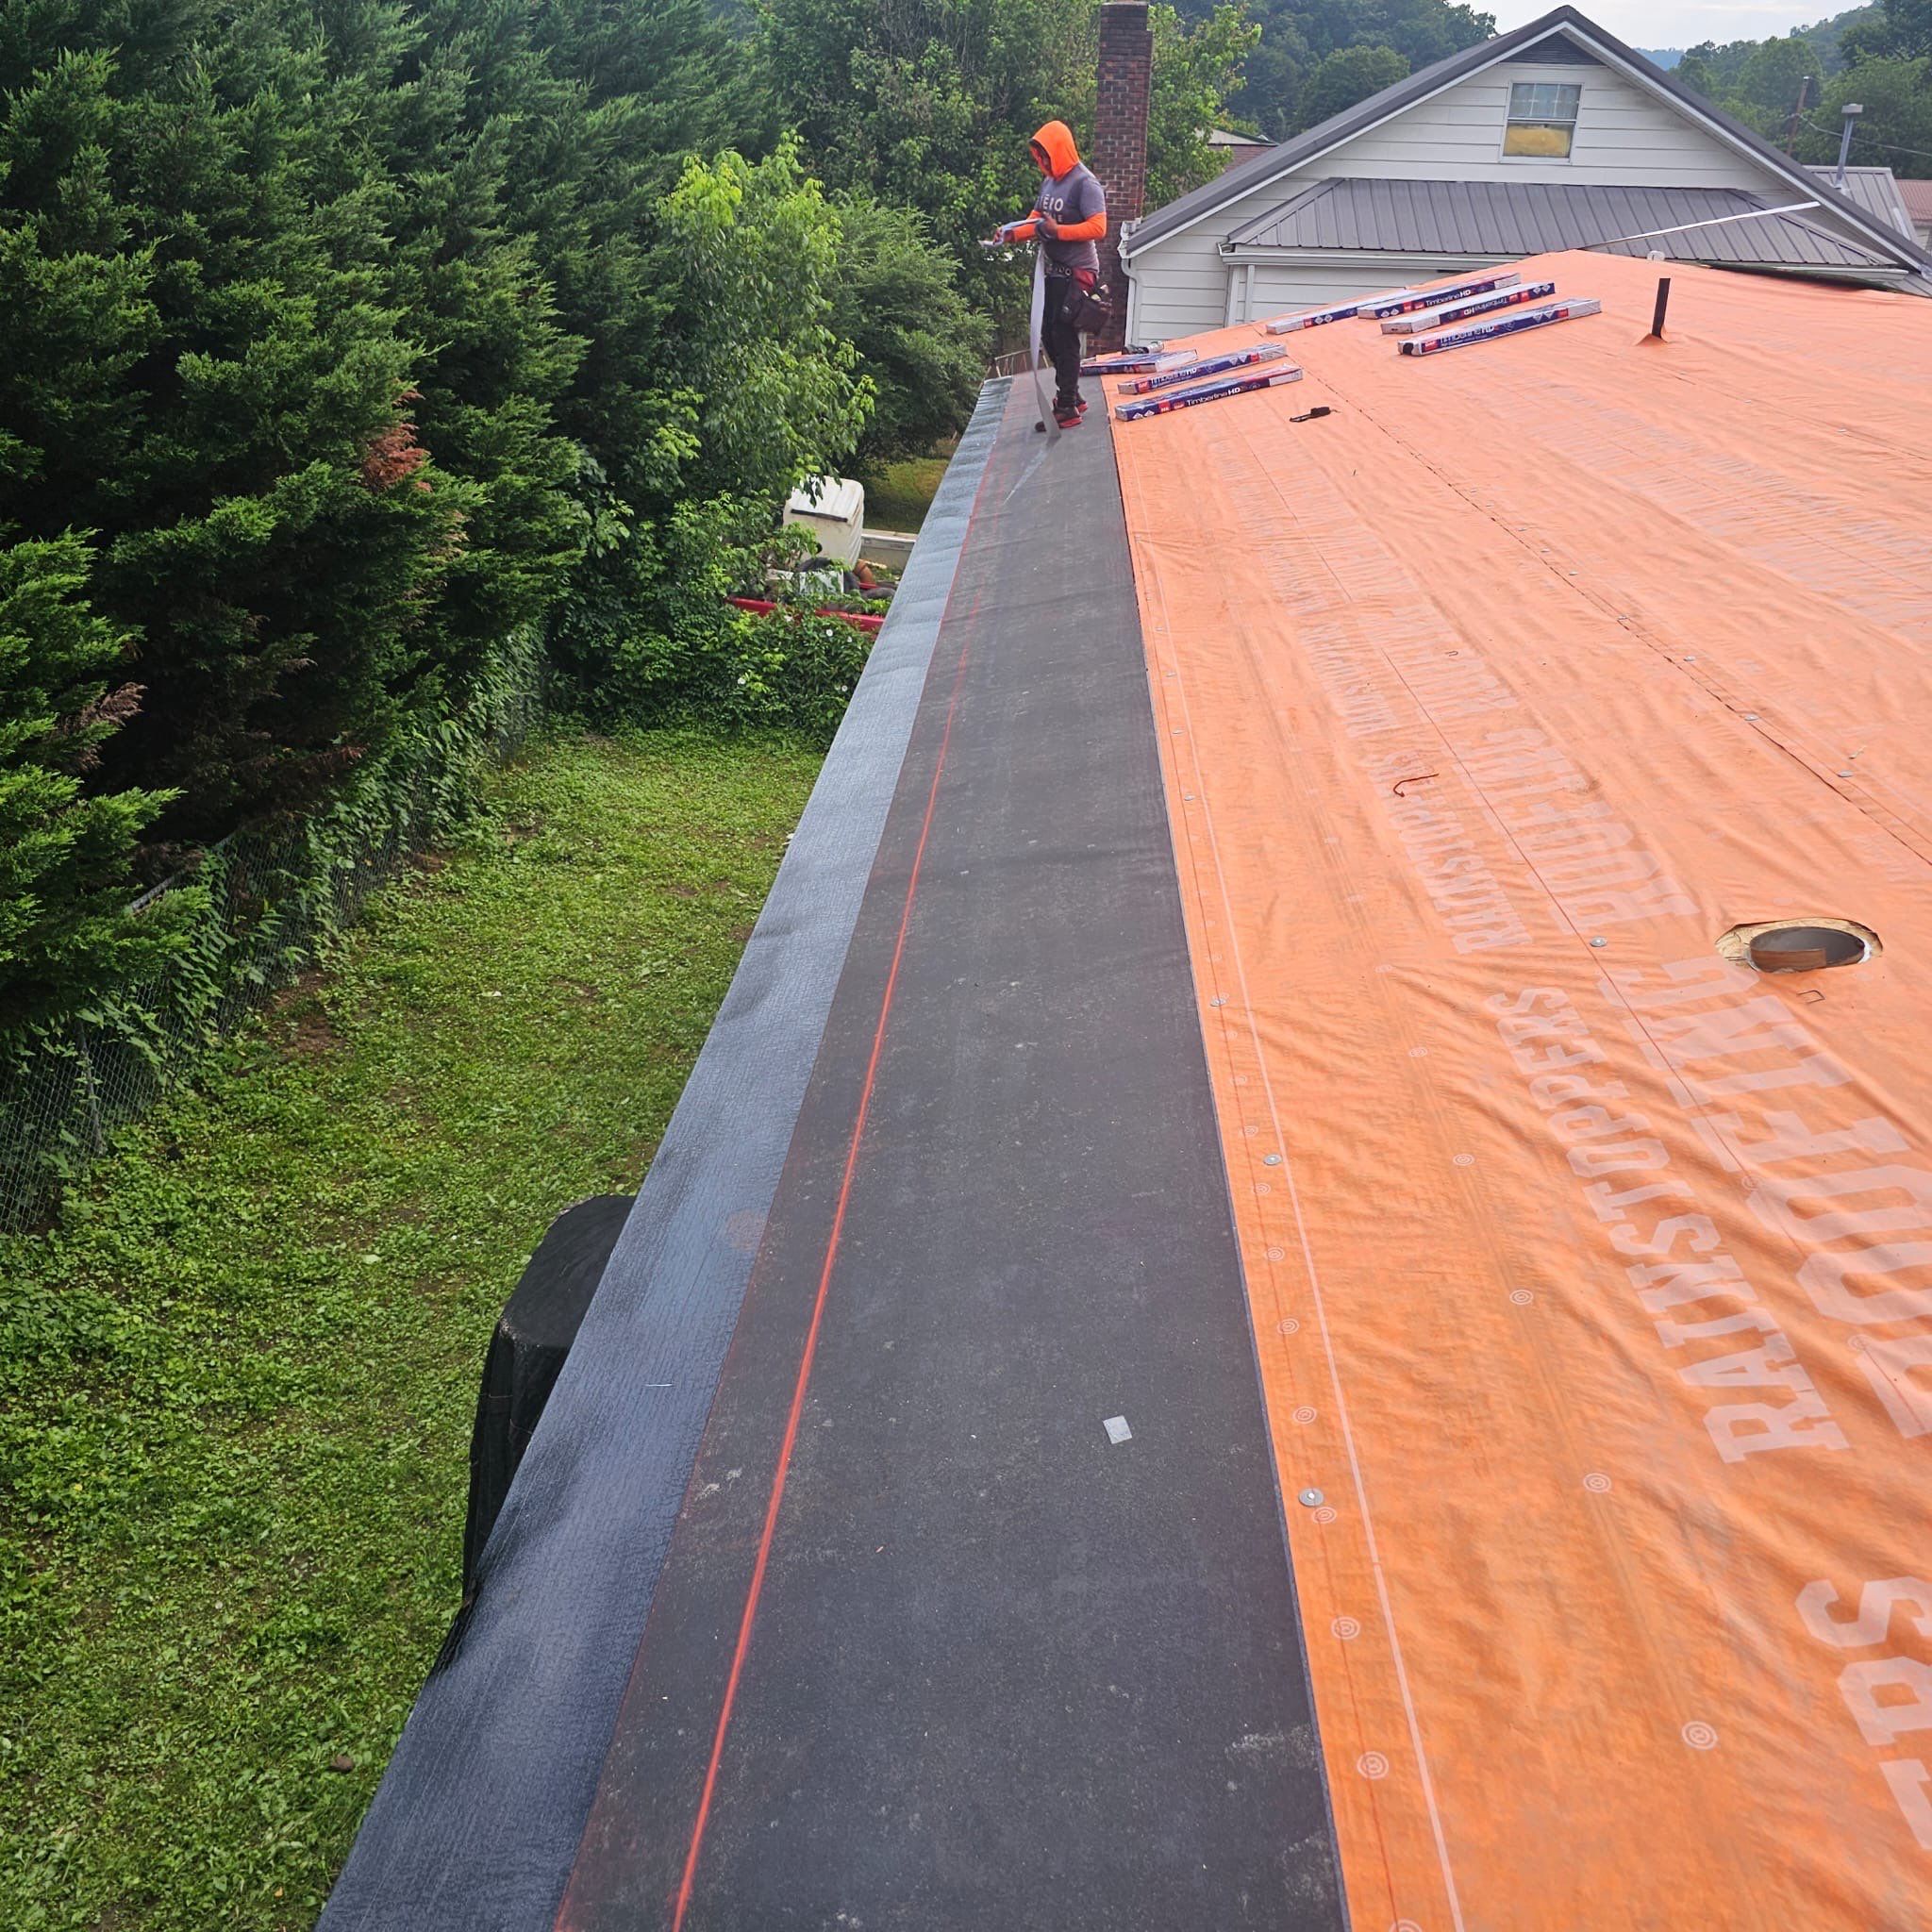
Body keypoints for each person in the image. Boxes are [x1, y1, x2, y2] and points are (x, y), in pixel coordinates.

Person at [996, 121, 1108, 429]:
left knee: (1063, 334)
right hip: (1054, 271)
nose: (1042, 162)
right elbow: (1035, 220)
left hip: (1078, 271)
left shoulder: (1085, 183)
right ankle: (1073, 394)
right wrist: (1011, 234)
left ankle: (1067, 406)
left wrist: (1060, 231)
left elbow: (1099, 227)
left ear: (1059, 150)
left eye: (1045, 156)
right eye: (1038, 157)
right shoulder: (1050, 182)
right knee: (1047, 333)